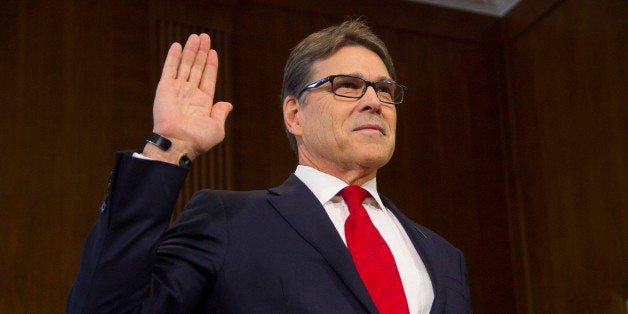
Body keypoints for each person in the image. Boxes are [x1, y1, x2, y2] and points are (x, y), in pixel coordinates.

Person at [67, 19, 471, 313]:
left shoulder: (443, 256)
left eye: (384, 89)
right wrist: (170, 147)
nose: (373, 101)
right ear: (294, 115)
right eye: (347, 86)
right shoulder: (229, 220)